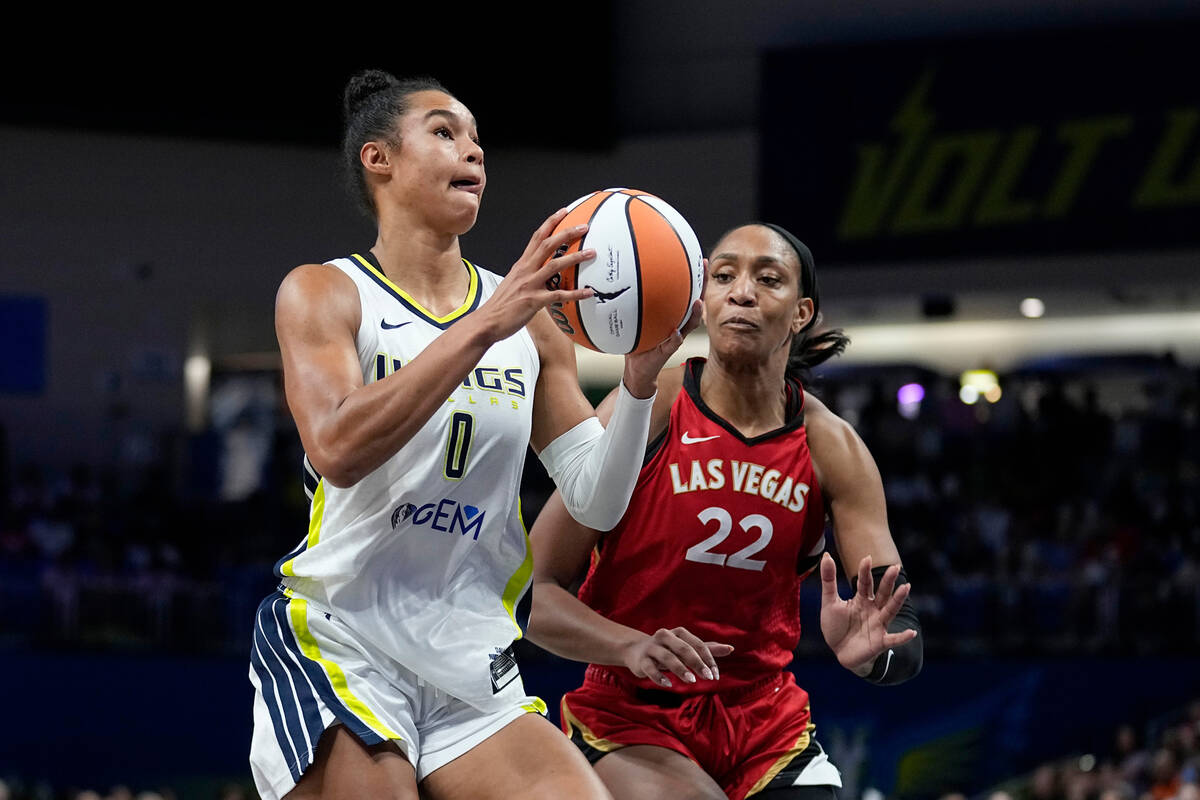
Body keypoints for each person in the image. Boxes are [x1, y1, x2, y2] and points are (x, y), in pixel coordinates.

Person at [246, 69, 698, 800]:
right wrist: (485, 324)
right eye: (445, 132)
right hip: (343, 638)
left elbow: (595, 500)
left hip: (466, 647)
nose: (474, 152)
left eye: (479, 140)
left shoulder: (531, 320)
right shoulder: (326, 292)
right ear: (379, 158)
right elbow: (337, 449)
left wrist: (640, 383)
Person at [526, 222, 923, 799]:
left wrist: (870, 655)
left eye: (769, 279)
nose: (742, 292)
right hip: (633, 713)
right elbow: (534, 593)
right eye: (724, 275)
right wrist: (629, 646)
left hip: (765, 721)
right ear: (703, 301)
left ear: (801, 312)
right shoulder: (650, 405)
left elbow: (902, 634)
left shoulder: (831, 446)